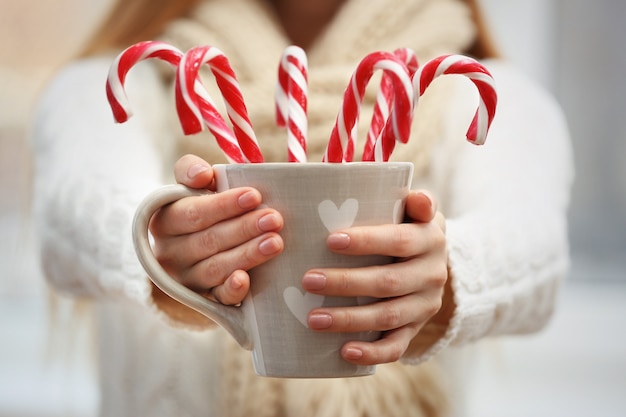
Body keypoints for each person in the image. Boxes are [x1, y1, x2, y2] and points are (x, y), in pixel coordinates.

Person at [31, 0, 574, 416]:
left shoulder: (481, 94)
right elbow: (73, 211)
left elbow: (532, 242)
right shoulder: (111, 86)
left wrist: (447, 273)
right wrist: (164, 245)